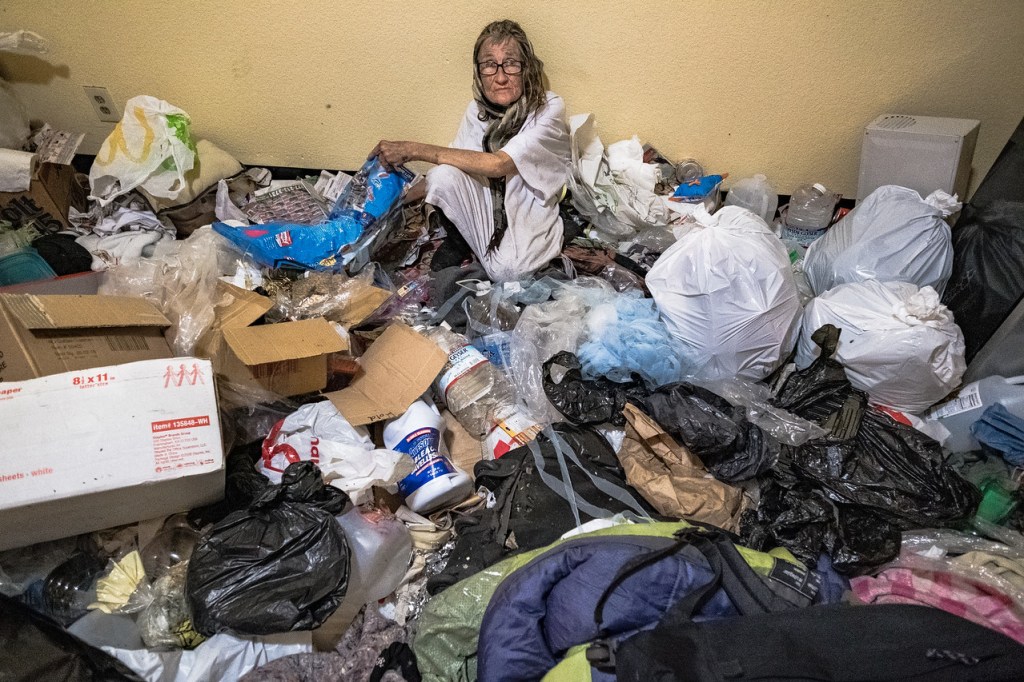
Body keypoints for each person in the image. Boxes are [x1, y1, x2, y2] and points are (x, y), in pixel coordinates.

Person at [371, 20, 570, 282]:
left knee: (509, 272)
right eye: (489, 65)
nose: (500, 77)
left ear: (527, 68)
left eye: (511, 64)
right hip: (488, 200)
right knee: (442, 176)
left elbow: (499, 164)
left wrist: (412, 149)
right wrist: (389, 202)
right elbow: (454, 167)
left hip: (529, 200)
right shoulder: (477, 111)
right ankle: (465, 243)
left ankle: (481, 251)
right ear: (479, 71)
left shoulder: (548, 108)